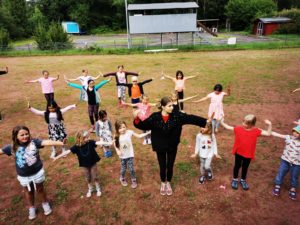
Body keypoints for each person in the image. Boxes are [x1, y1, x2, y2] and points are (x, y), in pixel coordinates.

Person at [133, 97, 207, 196]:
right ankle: (163, 183)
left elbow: (191, 118)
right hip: (160, 147)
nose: (172, 107)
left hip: (172, 146)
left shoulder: (177, 116)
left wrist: (206, 121)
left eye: (172, 105)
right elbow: (143, 125)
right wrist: (136, 118)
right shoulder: (155, 117)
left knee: (170, 165)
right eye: (170, 106)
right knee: (162, 166)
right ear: (163, 107)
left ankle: (168, 183)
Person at [0, 125, 64, 220]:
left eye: (26, 134)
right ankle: (31, 208)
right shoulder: (12, 147)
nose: (25, 136)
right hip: (24, 176)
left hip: (37, 173)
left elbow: (46, 142)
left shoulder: (34, 142)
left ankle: (45, 203)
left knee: (40, 189)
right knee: (28, 192)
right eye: (22, 135)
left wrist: (59, 142)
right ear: (16, 136)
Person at [53, 130, 113, 198]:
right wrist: (57, 157)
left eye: (88, 137)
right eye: (87, 137)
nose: (89, 138)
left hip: (93, 162)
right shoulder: (76, 147)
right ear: (81, 139)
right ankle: (90, 188)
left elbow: (99, 142)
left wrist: (108, 142)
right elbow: (67, 152)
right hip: (84, 165)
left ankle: (98, 188)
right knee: (88, 178)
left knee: (95, 176)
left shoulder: (90, 142)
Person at [221, 115, 272, 191]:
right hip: (238, 153)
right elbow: (228, 127)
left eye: (246, 123)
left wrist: (270, 124)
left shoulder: (256, 131)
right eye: (243, 122)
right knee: (237, 166)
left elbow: (268, 134)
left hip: (248, 154)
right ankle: (235, 179)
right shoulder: (238, 129)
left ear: (252, 124)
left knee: (245, 167)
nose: (243, 124)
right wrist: (221, 121)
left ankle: (242, 180)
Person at [114, 120, 151, 189]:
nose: (122, 129)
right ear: (117, 129)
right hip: (122, 156)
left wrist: (148, 132)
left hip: (130, 155)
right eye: (120, 128)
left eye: (124, 127)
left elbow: (139, 136)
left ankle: (133, 180)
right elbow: (115, 145)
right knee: (123, 169)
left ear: (126, 127)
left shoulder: (129, 132)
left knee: (131, 169)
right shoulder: (116, 135)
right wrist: (117, 151)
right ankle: (122, 178)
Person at [271, 125, 300, 201]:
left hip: (297, 163)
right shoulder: (288, 137)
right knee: (281, 172)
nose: (295, 133)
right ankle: (277, 185)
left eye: (297, 132)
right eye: (294, 131)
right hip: (285, 160)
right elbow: (279, 135)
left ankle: (293, 189)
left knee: (294, 176)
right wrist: (270, 131)